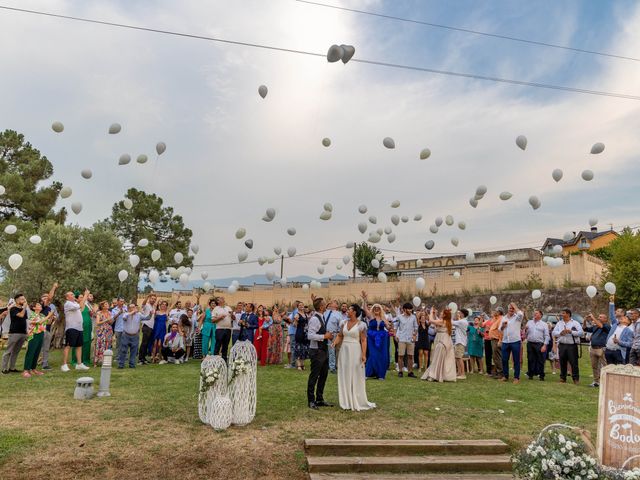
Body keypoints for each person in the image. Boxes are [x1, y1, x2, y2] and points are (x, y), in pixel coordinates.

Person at [333, 304, 376, 411]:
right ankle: (346, 400)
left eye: (349, 309)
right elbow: (340, 335)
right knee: (345, 373)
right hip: (344, 351)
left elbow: (363, 340)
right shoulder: (344, 323)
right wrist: (334, 343)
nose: (347, 311)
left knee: (355, 373)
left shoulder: (361, 325)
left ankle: (356, 398)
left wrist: (364, 354)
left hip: (355, 350)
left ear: (355, 312)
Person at [306, 297, 334, 409]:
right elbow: (310, 335)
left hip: (323, 350)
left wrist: (328, 336)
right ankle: (311, 400)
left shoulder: (321, 317)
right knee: (314, 376)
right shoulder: (314, 319)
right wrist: (324, 336)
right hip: (316, 351)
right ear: (321, 307)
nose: (326, 305)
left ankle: (320, 399)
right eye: (324, 304)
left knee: (323, 375)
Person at [422, 307, 456, 382]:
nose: (440, 313)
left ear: (444, 315)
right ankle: (439, 374)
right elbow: (435, 322)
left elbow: (431, 320)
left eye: (442, 312)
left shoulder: (443, 322)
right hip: (444, 340)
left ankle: (433, 375)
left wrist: (431, 312)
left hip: (442, 341)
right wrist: (434, 315)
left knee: (437, 358)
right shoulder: (447, 321)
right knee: (440, 359)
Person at [362, 293, 391, 380]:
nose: (376, 309)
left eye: (378, 308)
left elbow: (388, 327)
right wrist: (364, 300)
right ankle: (368, 373)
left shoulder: (383, 318)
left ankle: (380, 374)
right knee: (372, 354)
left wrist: (390, 326)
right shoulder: (370, 317)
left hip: (382, 338)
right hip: (372, 337)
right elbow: (364, 309)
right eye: (375, 308)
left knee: (382, 355)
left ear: (380, 309)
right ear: (373, 309)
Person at [61, 290, 90, 372]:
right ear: (67, 297)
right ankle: (64, 364)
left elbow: (81, 307)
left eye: (73, 294)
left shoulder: (74, 304)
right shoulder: (68, 304)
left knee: (79, 346)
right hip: (71, 328)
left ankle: (79, 364)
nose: (73, 295)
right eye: (71, 294)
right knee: (68, 345)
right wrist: (85, 295)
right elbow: (81, 305)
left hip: (79, 328)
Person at [552, 308, 583, 384]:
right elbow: (553, 332)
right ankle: (563, 378)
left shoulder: (575, 323)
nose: (561, 314)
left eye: (563, 313)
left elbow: (581, 333)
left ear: (568, 314)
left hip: (572, 346)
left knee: (574, 363)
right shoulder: (559, 323)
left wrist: (571, 331)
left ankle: (575, 379)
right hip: (562, 345)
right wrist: (560, 333)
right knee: (562, 362)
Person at [1, 294, 29, 374]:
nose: (24, 300)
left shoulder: (24, 309)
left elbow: (24, 320)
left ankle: (12, 368)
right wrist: (24, 308)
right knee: (8, 351)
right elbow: (21, 315)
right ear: (17, 300)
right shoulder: (13, 309)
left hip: (23, 333)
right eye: (22, 299)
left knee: (16, 352)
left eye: (24, 299)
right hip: (14, 333)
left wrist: (26, 331)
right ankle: (4, 369)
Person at [22, 302, 51, 378]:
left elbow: (47, 322)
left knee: (37, 353)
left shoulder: (41, 315)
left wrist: (51, 318)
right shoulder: (32, 314)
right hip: (33, 335)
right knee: (31, 352)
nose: (40, 306)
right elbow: (39, 322)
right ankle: (26, 370)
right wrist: (49, 315)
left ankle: (33, 369)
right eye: (38, 305)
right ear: (34, 308)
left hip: (41, 334)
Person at [583, 312, 610, 387]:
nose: (599, 318)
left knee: (604, 366)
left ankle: (605, 382)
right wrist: (584, 320)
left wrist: (593, 317)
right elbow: (585, 329)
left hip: (601, 348)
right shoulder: (595, 326)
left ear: (605, 319)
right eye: (599, 316)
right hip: (593, 348)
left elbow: (601, 326)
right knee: (594, 366)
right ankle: (596, 382)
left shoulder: (607, 326)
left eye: (601, 317)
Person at [605, 296, 633, 365]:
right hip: (608, 350)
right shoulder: (615, 324)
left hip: (618, 352)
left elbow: (630, 344)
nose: (622, 318)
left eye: (624, 318)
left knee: (618, 370)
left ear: (628, 322)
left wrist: (619, 342)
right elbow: (611, 315)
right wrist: (611, 302)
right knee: (609, 369)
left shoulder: (628, 331)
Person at [500, 302, 523, 384]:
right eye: (510, 308)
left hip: (515, 341)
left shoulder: (517, 317)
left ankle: (516, 377)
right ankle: (505, 376)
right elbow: (500, 329)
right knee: (504, 359)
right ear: (508, 309)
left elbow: (520, 313)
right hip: (505, 341)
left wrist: (515, 306)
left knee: (516, 360)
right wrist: (503, 325)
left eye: (513, 308)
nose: (511, 310)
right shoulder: (504, 318)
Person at [394, 302, 418, 378]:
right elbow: (395, 327)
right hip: (401, 338)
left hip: (410, 339)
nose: (410, 310)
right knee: (400, 355)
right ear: (404, 309)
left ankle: (410, 372)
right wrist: (395, 335)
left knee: (410, 356)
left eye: (411, 309)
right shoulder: (399, 317)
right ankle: (400, 371)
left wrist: (414, 336)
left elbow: (416, 327)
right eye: (409, 309)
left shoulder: (413, 317)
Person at [525, 310, 550, 381]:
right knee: (530, 359)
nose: (534, 314)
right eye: (534, 313)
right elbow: (525, 334)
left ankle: (541, 375)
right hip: (530, 343)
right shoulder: (529, 322)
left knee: (541, 360)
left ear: (540, 315)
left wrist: (544, 345)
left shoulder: (544, 324)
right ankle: (530, 374)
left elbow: (547, 336)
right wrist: (525, 330)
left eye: (536, 313)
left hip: (539, 344)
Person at [118, 303, 145, 369]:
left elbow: (147, 318)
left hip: (135, 336)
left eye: (134, 307)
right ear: (128, 308)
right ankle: (121, 365)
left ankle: (132, 365)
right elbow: (124, 318)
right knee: (123, 351)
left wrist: (150, 314)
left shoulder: (139, 315)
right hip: (126, 335)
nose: (133, 308)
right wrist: (131, 312)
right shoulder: (126, 314)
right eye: (131, 307)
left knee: (134, 351)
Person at [40, 282, 58, 370]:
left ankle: (45, 364)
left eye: (47, 297)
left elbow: (52, 319)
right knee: (37, 348)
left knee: (46, 348)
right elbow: (50, 297)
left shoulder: (49, 308)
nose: (46, 298)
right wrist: (54, 287)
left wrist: (52, 319)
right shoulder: (40, 306)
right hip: (39, 330)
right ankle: (32, 364)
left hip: (47, 329)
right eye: (44, 297)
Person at [212, 297, 233, 361]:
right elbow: (213, 320)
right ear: (218, 301)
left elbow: (233, 318)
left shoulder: (228, 308)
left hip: (228, 329)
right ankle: (215, 360)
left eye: (223, 298)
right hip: (219, 329)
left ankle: (224, 361)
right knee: (218, 344)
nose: (223, 299)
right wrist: (220, 317)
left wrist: (232, 314)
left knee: (226, 345)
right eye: (221, 299)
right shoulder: (216, 309)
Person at [138, 294, 157, 365]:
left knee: (147, 343)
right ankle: (140, 359)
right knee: (144, 343)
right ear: (149, 299)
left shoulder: (153, 307)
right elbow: (143, 303)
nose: (153, 300)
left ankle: (144, 358)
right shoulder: (146, 305)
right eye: (152, 298)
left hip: (151, 327)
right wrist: (147, 297)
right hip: (146, 326)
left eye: (155, 299)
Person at [94, 301, 113, 367]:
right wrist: (106, 320)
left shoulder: (109, 312)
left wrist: (111, 320)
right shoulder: (99, 313)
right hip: (101, 331)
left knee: (107, 345)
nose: (108, 305)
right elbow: (97, 323)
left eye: (108, 304)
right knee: (100, 345)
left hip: (109, 330)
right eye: (106, 304)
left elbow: (110, 322)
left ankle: (105, 361)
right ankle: (96, 361)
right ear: (102, 306)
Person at [452, 309, 470, 380]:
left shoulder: (462, 321)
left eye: (460, 313)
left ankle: (463, 374)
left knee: (459, 358)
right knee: (457, 358)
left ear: (463, 314)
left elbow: (451, 322)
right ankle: (459, 372)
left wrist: (451, 314)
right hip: (458, 342)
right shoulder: (462, 321)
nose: (459, 314)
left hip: (460, 342)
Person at [488, 310, 504, 379]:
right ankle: (496, 372)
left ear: (499, 312)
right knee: (495, 356)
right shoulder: (496, 318)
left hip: (497, 339)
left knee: (497, 356)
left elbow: (501, 331)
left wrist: (500, 340)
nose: (493, 312)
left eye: (495, 311)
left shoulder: (501, 319)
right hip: (493, 339)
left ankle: (500, 373)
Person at [294, 304, 310, 371]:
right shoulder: (297, 314)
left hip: (305, 333)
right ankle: (298, 365)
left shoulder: (306, 315)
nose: (301, 306)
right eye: (300, 305)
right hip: (299, 332)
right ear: (297, 307)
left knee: (304, 348)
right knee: (299, 348)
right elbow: (294, 325)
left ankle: (302, 364)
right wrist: (296, 320)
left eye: (302, 305)